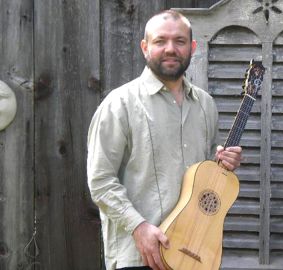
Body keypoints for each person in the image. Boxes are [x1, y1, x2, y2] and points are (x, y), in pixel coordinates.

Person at [87, 10, 242, 270]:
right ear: (145, 48)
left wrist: (223, 163)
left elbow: (204, 178)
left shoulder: (205, 105)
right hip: (139, 254)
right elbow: (100, 181)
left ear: (192, 47)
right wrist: (138, 227)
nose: (171, 49)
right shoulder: (120, 104)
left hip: (193, 253)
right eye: (160, 41)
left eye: (179, 41)